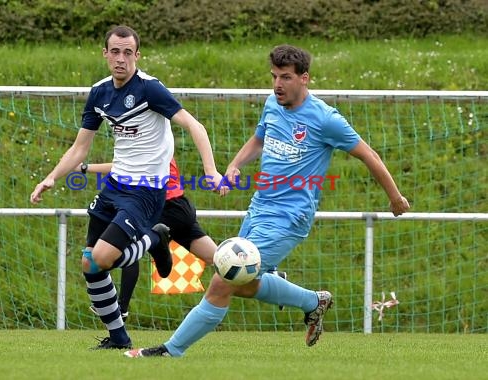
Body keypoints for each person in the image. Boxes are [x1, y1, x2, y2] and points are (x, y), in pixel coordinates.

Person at [124, 44, 411, 358]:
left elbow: (368, 154)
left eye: (285, 77)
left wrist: (395, 197)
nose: (277, 84)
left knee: (224, 279)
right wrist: (234, 165)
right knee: (244, 284)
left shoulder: (326, 119)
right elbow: (260, 138)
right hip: (259, 208)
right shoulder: (273, 105)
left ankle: (170, 350)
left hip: (290, 217)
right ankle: (313, 302)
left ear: (305, 79)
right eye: (274, 76)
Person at [30, 25, 225, 350]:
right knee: (90, 263)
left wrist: (211, 170)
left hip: (146, 191)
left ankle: (153, 238)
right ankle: (119, 337)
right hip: (116, 185)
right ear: (105, 54)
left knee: (105, 257)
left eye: (128, 52)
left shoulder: (150, 89)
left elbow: (195, 125)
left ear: (137, 55)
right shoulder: (100, 92)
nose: (121, 58)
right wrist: (52, 176)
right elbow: (80, 148)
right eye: (115, 51)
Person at [82, 158, 290, 320]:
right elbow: (120, 167)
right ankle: (274, 279)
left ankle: (122, 308)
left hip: (168, 208)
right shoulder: (145, 139)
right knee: (221, 261)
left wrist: (86, 167)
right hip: (178, 208)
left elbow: (121, 168)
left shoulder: (152, 139)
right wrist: (87, 168)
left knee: (126, 243)